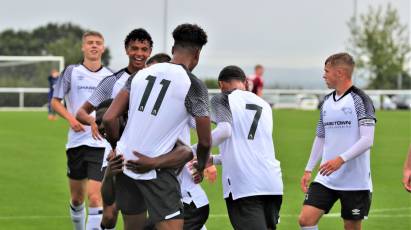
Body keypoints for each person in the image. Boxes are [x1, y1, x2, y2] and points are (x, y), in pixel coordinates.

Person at [103, 23, 210, 230]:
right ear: (197, 55)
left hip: (124, 163)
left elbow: (108, 118)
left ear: (172, 50)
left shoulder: (140, 74)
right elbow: (205, 141)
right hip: (157, 169)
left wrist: (118, 146)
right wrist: (201, 166)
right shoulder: (194, 85)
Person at [74, 28, 153, 230]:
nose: (139, 53)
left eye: (144, 49)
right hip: (113, 153)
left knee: (137, 212)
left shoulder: (156, 81)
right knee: (109, 215)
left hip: (142, 154)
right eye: (134, 48)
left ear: (150, 51)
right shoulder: (112, 81)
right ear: (126, 49)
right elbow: (82, 112)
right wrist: (95, 123)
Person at [193, 65, 283, 229]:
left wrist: (193, 151)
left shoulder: (223, 98)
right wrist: (213, 159)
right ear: (245, 82)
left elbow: (224, 131)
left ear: (221, 84)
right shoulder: (264, 105)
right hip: (272, 183)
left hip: (245, 185)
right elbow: (250, 147)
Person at [298, 53, 376, 230]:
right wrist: (308, 169)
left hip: (355, 180)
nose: (324, 75)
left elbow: (367, 140)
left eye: (327, 71)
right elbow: (320, 136)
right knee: (306, 220)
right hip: (327, 177)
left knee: (351, 227)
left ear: (339, 73)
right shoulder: (326, 101)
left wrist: (341, 159)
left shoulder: (361, 100)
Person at [51, 31, 114, 230]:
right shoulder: (71, 72)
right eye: (90, 43)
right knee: (77, 199)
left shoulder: (111, 76)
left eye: (98, 43)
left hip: (100, 144)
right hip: (77, 143)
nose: (94, 46)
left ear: (103, 48)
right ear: (83, 47)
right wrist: (71, 118)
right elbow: (55, 101)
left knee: (95, 197)